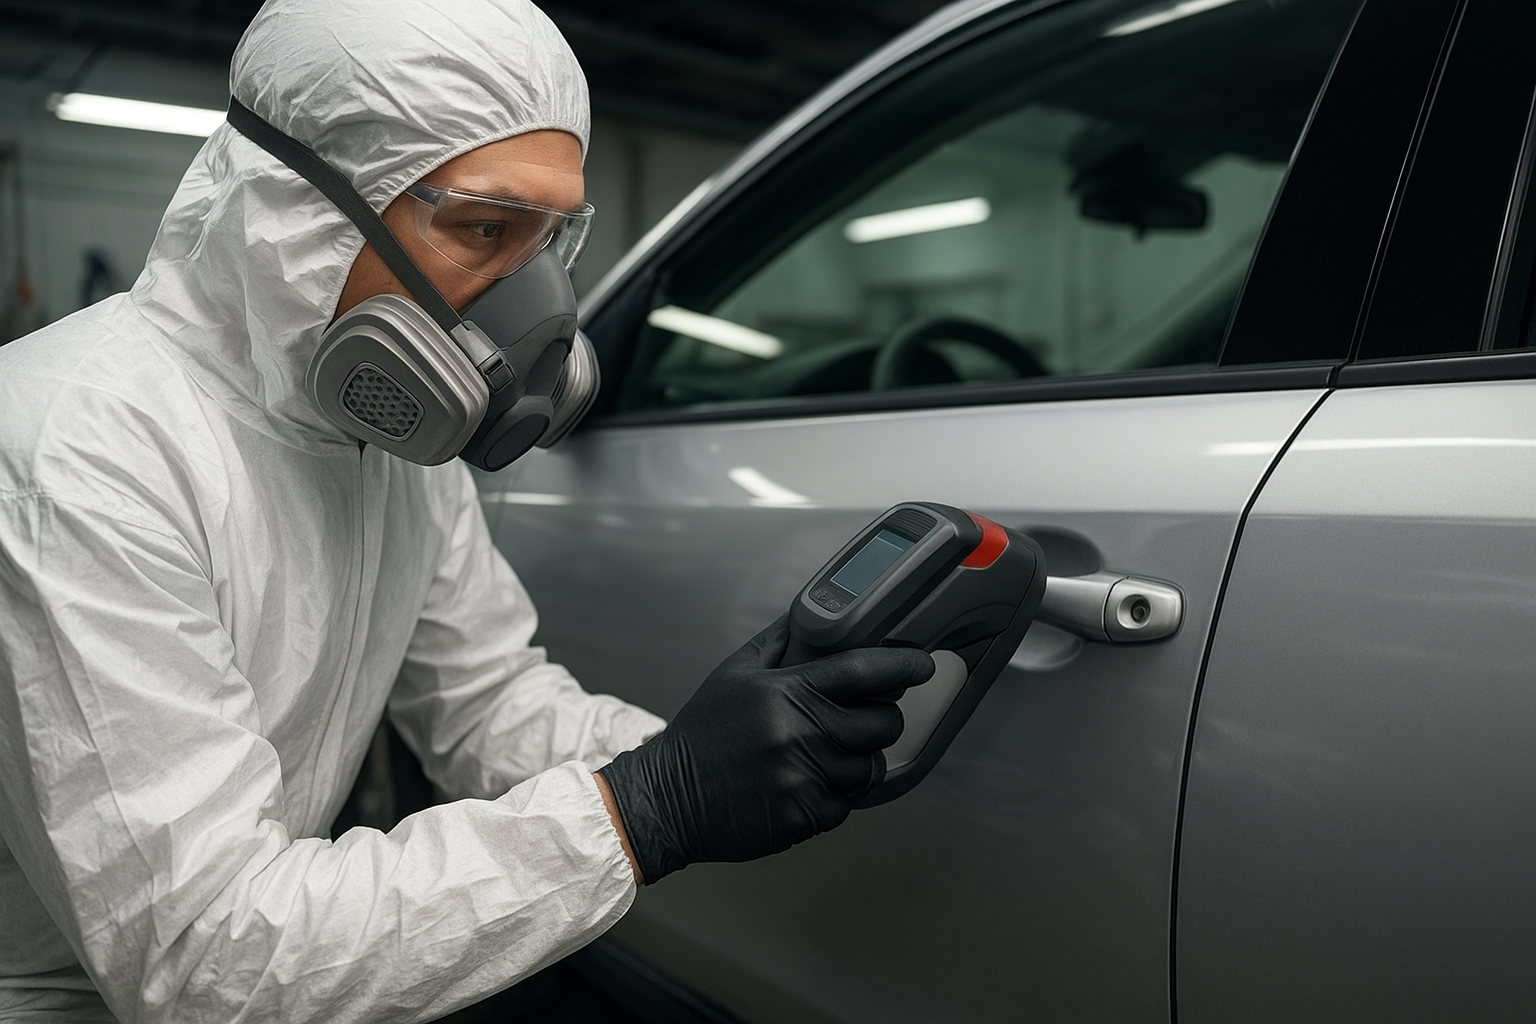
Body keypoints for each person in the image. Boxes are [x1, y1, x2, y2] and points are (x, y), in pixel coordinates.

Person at [0, 1, 934, 1021]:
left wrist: (715, 752)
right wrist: (646, 808)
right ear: (296, 210)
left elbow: (486, 702)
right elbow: (208, 957)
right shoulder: (71, 454)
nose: (529, 300)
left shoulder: (385, 439)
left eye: (551, 240)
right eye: (485, 228)